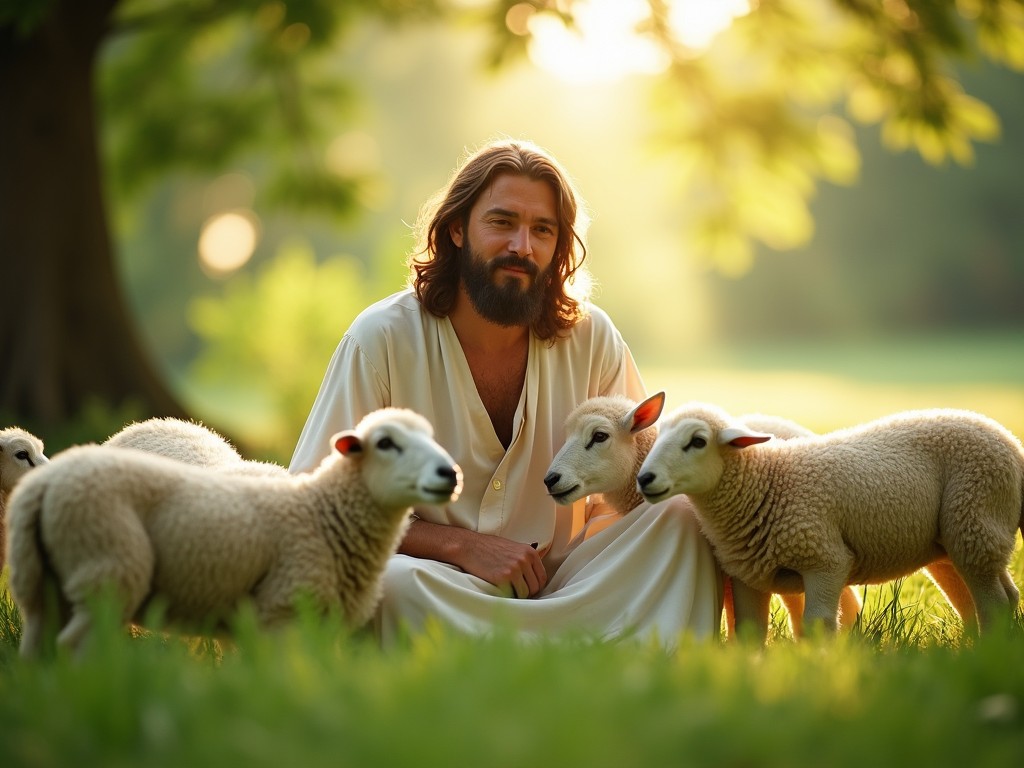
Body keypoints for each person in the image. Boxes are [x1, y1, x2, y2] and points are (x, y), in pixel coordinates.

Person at [289, 138, 724, 648]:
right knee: (390, 584)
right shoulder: (380, 338)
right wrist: (459, 546)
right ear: (456, 229)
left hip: (569, 582)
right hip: (438, 582)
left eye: (543, 230)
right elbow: (317, 510)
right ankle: (593, 643)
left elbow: (647, 476)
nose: (523, 246)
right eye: (502, 222)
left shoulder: (593, 337)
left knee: (683, 516)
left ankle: (558, 640)